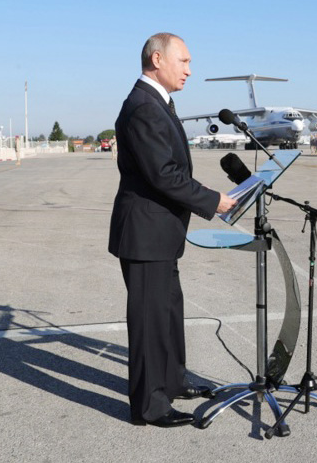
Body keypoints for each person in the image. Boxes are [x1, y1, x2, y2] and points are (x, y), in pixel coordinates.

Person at [108, 33, 237, 428]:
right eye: (183, 61)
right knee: (149, 320)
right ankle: (150, 405)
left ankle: (173, 379)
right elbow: (163, 174)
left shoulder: (157, 102)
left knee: (168, 311)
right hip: (146, 233)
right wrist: (212, 200)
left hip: (160, 232)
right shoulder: (143, 106)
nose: (189, 70)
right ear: (157, 59)